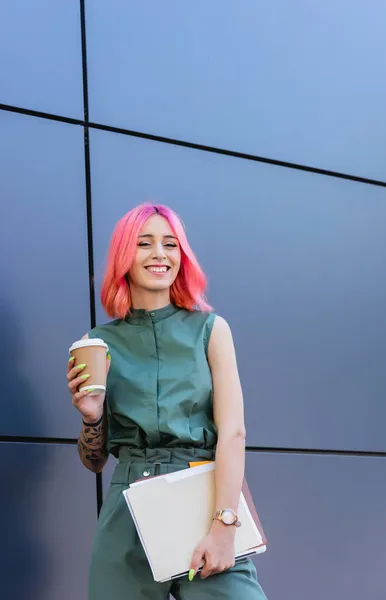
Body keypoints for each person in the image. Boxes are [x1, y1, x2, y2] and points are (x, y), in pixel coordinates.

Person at [67, 203, 267, 600]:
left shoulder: (210, 329)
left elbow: (233, 433)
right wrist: (91, 419)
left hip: (202, 495)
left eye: (170, 244)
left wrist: (225, 525)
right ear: (125, 256)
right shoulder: (99, 342)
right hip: (127, 508)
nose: (160, 253)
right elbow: (94, 461)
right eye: (145, 243)